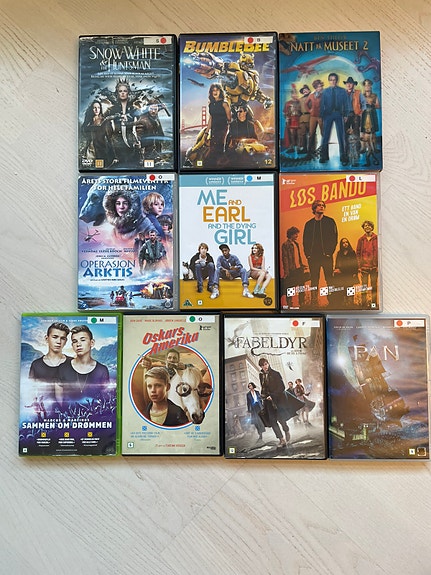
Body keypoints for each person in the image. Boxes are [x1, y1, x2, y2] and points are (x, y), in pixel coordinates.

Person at [56, 325, 109, 404]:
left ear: (92, 343)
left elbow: (105, 397)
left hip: (94, 411)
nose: (78, 344)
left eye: (83, 340)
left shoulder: (102, 370)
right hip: (68, 411)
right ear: (72, 345)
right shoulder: (62, 368)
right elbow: (58, 398)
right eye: (75, 341)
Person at [303, 200, 338, 307]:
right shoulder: (309, 224)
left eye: (323, 205)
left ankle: (331, 301)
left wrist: (329, 252)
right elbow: (305, 241)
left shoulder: (330, 222)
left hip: (326, 256)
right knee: (314, 280)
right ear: (314, 209)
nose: (321, 207)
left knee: (329, 279)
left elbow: (334, 238)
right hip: (313, 257)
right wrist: (308, 255)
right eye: (319, 205)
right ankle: (314, 302)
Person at [105, 79, 140, 167]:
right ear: (117, 93)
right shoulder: (111, 109)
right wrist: (115, 117)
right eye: (120, 91)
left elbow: (141, 123)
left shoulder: (134, 109)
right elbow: (104, 121)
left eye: (125, 91)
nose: (123, 93)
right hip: (116, 142)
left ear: (128, 92)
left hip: (131, 141)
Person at [258, 358, 291, 447]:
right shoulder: (261, 375)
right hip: (268, 402)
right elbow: (264, 387)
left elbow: (282, 387)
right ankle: (281, 439)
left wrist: (272, 395)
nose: (264, 366)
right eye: (262, 365)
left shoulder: (276, 374)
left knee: (281, 419)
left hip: (277, 400)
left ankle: (286, 430)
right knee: (272, 421)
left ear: (268, 364)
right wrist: (263, 395)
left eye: (265, 364)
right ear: (261, 366)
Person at [319, 72, 349, 165]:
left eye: (334, 80)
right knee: (325, 136)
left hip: (339, 114)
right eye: (331, 80)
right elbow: (322, 105)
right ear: (329, 81)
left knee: (341, 135)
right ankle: (324, 156)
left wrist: (346, 115)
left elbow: (346, 103)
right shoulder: (325, 92)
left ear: (337, 81)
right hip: (328, 115)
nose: (333, 81)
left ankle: (343, 156)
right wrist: (321, 116)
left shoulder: (342, 91)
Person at [205, 83, 231, 166]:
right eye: (213, 90)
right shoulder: (211, 104)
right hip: (214, 130)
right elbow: (211, 118)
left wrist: (228, 133)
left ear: (220, 92)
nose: (215, 92)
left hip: (222, 129)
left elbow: (229, 119)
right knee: (213, 149)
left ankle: (220, 167)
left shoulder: (224, 104)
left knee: (217, 149)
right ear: (211, 92)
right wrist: (206, 132)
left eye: (217, 90)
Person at [281, 227, 308, 308]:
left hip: (299, 268)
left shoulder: (296, 244)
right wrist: (286, 271)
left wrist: (302, 265)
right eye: (295, 234)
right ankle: (290, 304)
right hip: (291, 269)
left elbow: (298, 256)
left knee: (301, 286)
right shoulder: (285, 245)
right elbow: (285, 258)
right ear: (291, 234)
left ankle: (302, 303)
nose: (297, 235)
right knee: (290, 286)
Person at [81, 100, 113, 166]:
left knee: (99, 167)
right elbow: (84, 132)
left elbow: (109, 138)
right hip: (90, 150)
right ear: (91, 109)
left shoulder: (104, 121)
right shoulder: (89, 122)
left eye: (98, 108)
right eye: (94, 108)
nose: (96, 110)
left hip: (101, 150)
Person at [356, 220, 378, 308]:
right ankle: (364, 305)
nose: (367, 227)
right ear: (363, 228)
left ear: (372, 227)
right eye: (365, 226)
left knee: (374, 286)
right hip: (364, 267)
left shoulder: (377, 238)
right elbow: (358, 254)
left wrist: (378, 266)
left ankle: (373, 304)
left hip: (374, 267)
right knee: (364, 287)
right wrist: (359, 267)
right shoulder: (361, 240)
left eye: (369, 225)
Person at [135, 100, 165, 164]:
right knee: (149, 166)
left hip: (157, 149)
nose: (153, 111)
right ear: (147, 109)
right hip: (147, 151)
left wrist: (161, 107)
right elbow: (139, 134)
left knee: (158, 165)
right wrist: (139, 142)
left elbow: (155, 109)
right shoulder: (143, 120)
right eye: (151, 109)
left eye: (155, 109)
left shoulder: (154, 117)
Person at [333, 237, 358, 307]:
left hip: (350, 274)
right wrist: (336, 270)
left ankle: (350, 303)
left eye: (346, 242)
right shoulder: (339, 253)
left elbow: (355, 264)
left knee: (350, 288)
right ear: (341, 244)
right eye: (343, 243)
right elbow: (337, 264)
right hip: (341, 275)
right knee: (343, 288)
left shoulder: (352, 252)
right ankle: (344, 304)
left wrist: (355, 273)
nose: (345, 244)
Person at [305, 79, 324, 158]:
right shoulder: (311, 95)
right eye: (318, 87)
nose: (320, 88)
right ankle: (309, 152)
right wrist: (309, 110)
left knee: (323, 134)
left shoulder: (324, 95)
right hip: (313, 116)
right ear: (315, 87)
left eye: (321, 86)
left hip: (321, 116)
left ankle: (323, 151)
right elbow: (306, 104)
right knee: (311, 134)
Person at [298, 84, 311, 153]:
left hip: (309, 117)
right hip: (302, 118)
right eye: (303, 90)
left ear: (309, 90)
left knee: (311, 134)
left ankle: (311, 149)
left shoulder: (312, 98)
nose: (304, 91)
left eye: (306, 89)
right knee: (302, 134)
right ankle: (304, 149)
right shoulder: (300, 100)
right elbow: (298, 109)